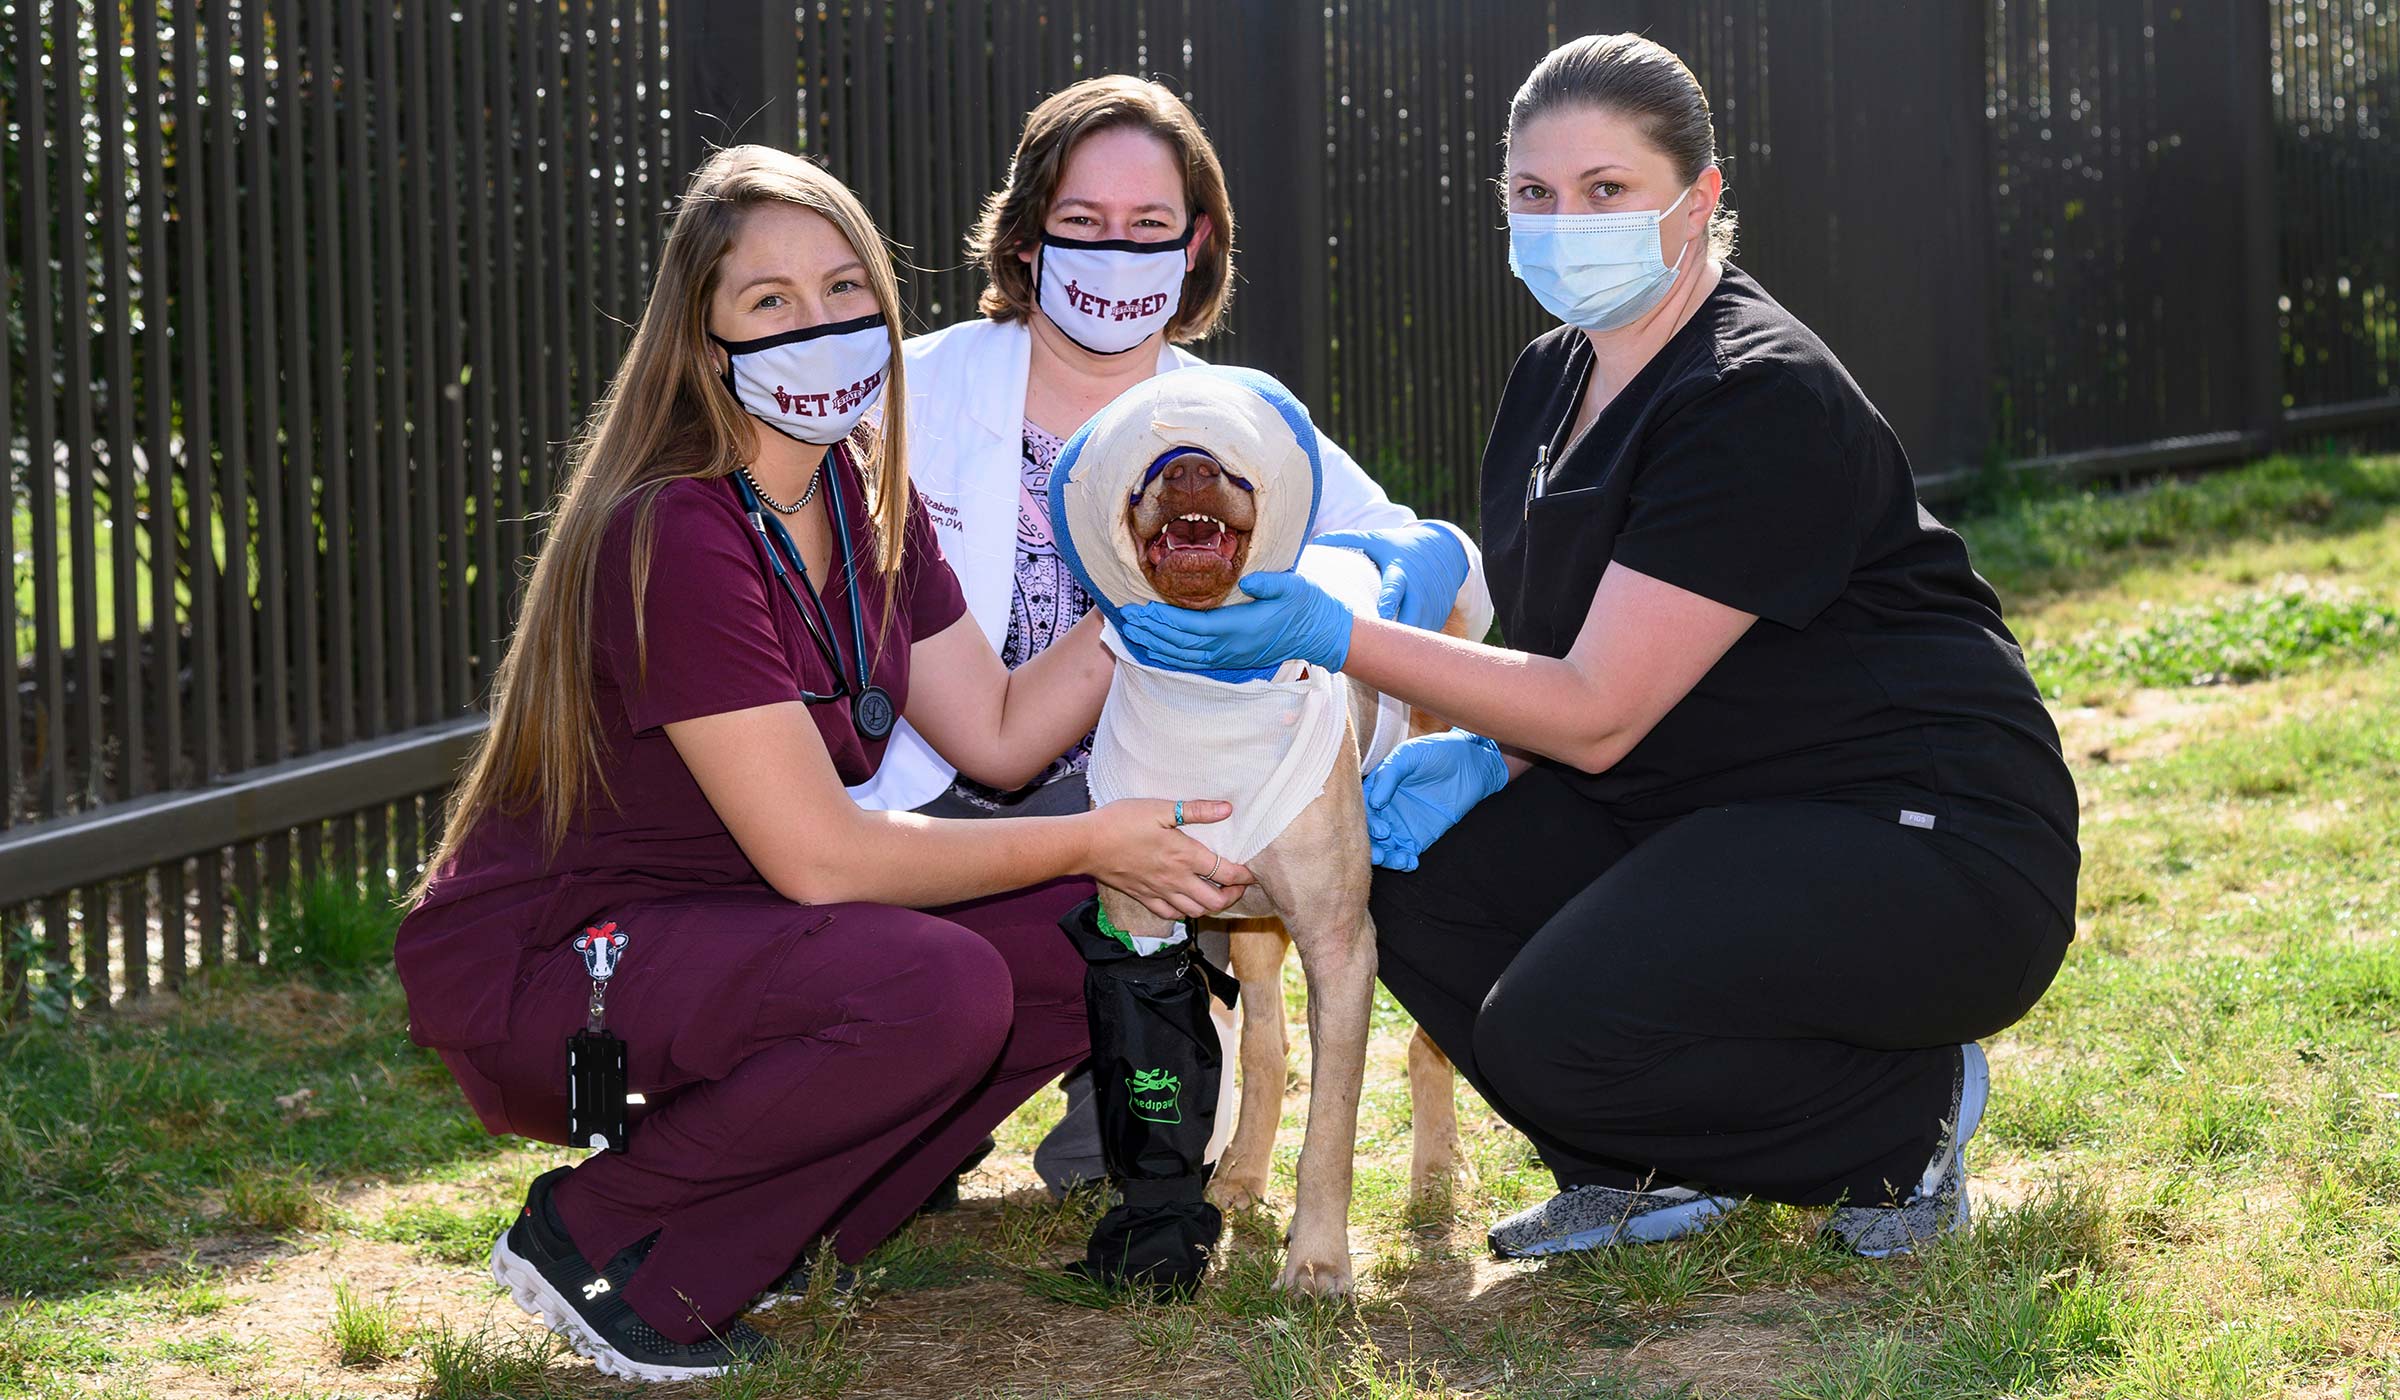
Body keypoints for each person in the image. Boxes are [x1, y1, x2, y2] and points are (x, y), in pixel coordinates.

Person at [1118, 33, 2080, 1262]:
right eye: (1535, 194)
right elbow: (1577, 655)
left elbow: (1597, 708)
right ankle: (1646, 1166)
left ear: (1701, 202)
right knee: (1404, 885)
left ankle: (1905, 1119)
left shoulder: (1754, 393)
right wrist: (1480, 763)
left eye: (1607, 191)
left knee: (1551, 1027)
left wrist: (1336, 631)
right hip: (1706, 807)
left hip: (1922, 839)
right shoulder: (1546, 383)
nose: (1564, 222)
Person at [392, 146, 1255, 1384]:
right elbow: (819, 855)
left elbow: (1003, 731)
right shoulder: (673, 527)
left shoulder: (861, 501)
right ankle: (601, 1239)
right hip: (562, 963)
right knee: (936, 983)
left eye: (847, 290)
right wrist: (1098, 833)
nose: (821, 325)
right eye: (771, 302)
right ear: (702, 335)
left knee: (1081, 938)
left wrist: (1151, 593)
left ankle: (789, 1231)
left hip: (721, 932)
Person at [850, 74, 1492, 1196]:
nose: (1116, 254)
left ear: (1197, 244)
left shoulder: (1231, 416)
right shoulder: (915, 391)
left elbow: (1404, 547)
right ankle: (931, 1106)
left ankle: (1118, 1107)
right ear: (1027, 236)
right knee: (900, 1126)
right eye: (1083, 225)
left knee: (1129, 1138)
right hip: (935, 800)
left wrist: (1342, 581)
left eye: (1149, 227)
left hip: (1156, 810)